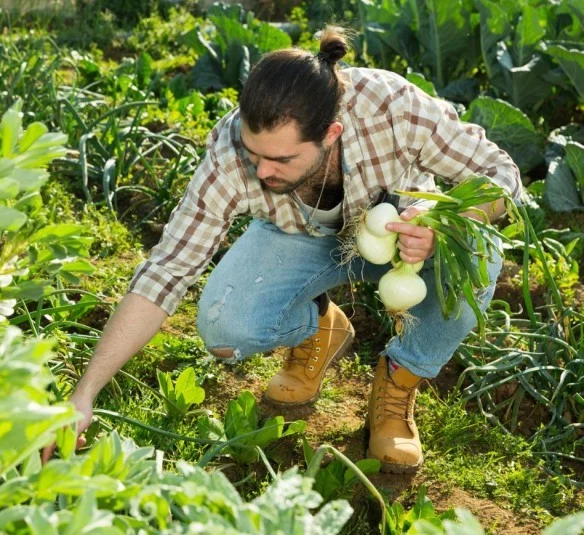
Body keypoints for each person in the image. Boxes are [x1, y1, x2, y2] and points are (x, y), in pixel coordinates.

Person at [42, 26, 523, 473]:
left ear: (331, 135)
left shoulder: (395, 108)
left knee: (477, 252)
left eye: (281, 159)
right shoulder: (232, 153)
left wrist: (444, 223)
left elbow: (503, 177)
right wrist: (83, 394)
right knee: (226, 327)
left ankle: (399, 383)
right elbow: (167, 270)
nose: (262, 170)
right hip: (303, 240)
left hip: (405, 241)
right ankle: (318, 328)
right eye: (255, 154)